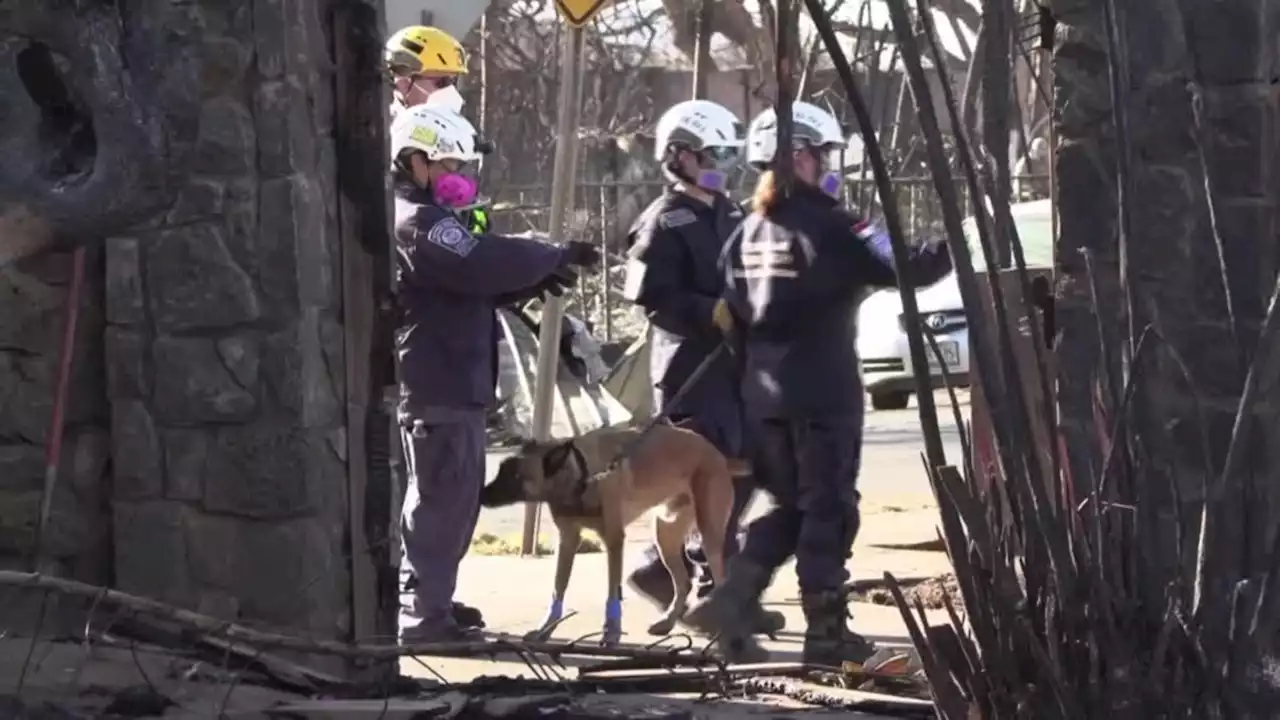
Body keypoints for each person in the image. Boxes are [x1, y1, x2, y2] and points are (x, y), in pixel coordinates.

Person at [680, 102, 953, 664]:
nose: (829, 167)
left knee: (793, 508)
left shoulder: (743, 232)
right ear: (800, 156)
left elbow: (732, 311)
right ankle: (826, 632)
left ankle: (733, 595)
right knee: (829, 509)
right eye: (824, 155)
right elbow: (908, 266)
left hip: (761, 398)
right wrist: (962, 234)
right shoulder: (834, 225)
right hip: (823, 395)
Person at [390, 104, 600, 643]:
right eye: (449, 163)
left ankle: (433, 600)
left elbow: (466, 285)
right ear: (415, 162)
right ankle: (423, 615)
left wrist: (528, 282)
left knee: (453, 503)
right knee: (440, 503)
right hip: (437, 383)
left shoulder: (430, 221)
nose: (460, 175)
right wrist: (548, 255)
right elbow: (475, 261)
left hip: (452, 382)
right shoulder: (420, 222)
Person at [620, 99, 784, 635]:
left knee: (745, 471)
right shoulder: (662, 221)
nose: (723, 165)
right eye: (713, 154)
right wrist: (707, 312)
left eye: (727, 155)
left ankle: (666, 570)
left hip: (737, 369)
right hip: (691, 368)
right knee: (705, 480)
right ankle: (716, 591)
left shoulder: (733, 213)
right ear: (679, 156)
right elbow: (647, 297)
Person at [384, 25, 469, 115]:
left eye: (453, 81)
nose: (450, 91)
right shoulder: (382, 125)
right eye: (443, 82)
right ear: (403, 81)